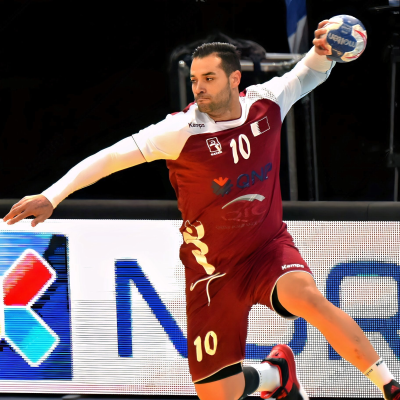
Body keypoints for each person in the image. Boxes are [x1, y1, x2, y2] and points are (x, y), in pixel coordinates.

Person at [2, 21, 400, 400]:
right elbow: (108, 158)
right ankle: (276, 375)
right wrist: (52, 196)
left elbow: (309, 71)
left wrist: (326, 50)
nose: (199, 88)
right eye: (194, 79)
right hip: (211, 273)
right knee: (217, 393)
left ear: (234, 78)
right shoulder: (178, 131)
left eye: (209, 78)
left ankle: (389, 385)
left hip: (266, 250)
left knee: (308, 298)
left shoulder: (267, 102)